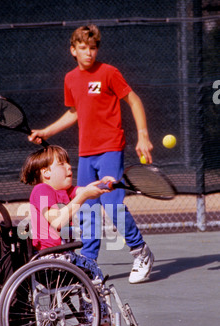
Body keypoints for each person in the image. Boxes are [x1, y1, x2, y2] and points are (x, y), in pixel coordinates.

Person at [29, 24, 154, 284]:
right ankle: (88, 264)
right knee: (87, 208)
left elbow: (133, 100)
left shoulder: (109, 73)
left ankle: (140, 251)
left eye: (93, 48)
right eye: (83, 48)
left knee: (112, 204)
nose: (89, 53)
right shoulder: (70, 79)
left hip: (110, 147)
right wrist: (46, 130)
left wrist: (142, 135)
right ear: (73, 50)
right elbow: (74, 112)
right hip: (86, 153)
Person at [21, 144, 134, 326]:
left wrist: (104, 183)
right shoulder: (42, 190)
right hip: (49, 261)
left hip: (62, 258)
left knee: (92, 273)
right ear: (45, 172)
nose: (69, 167)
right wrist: (81, 198)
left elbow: (86, 190)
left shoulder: (64, 192)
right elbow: (56, 222)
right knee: (93, 275)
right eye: (61, 164)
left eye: (68, 162)